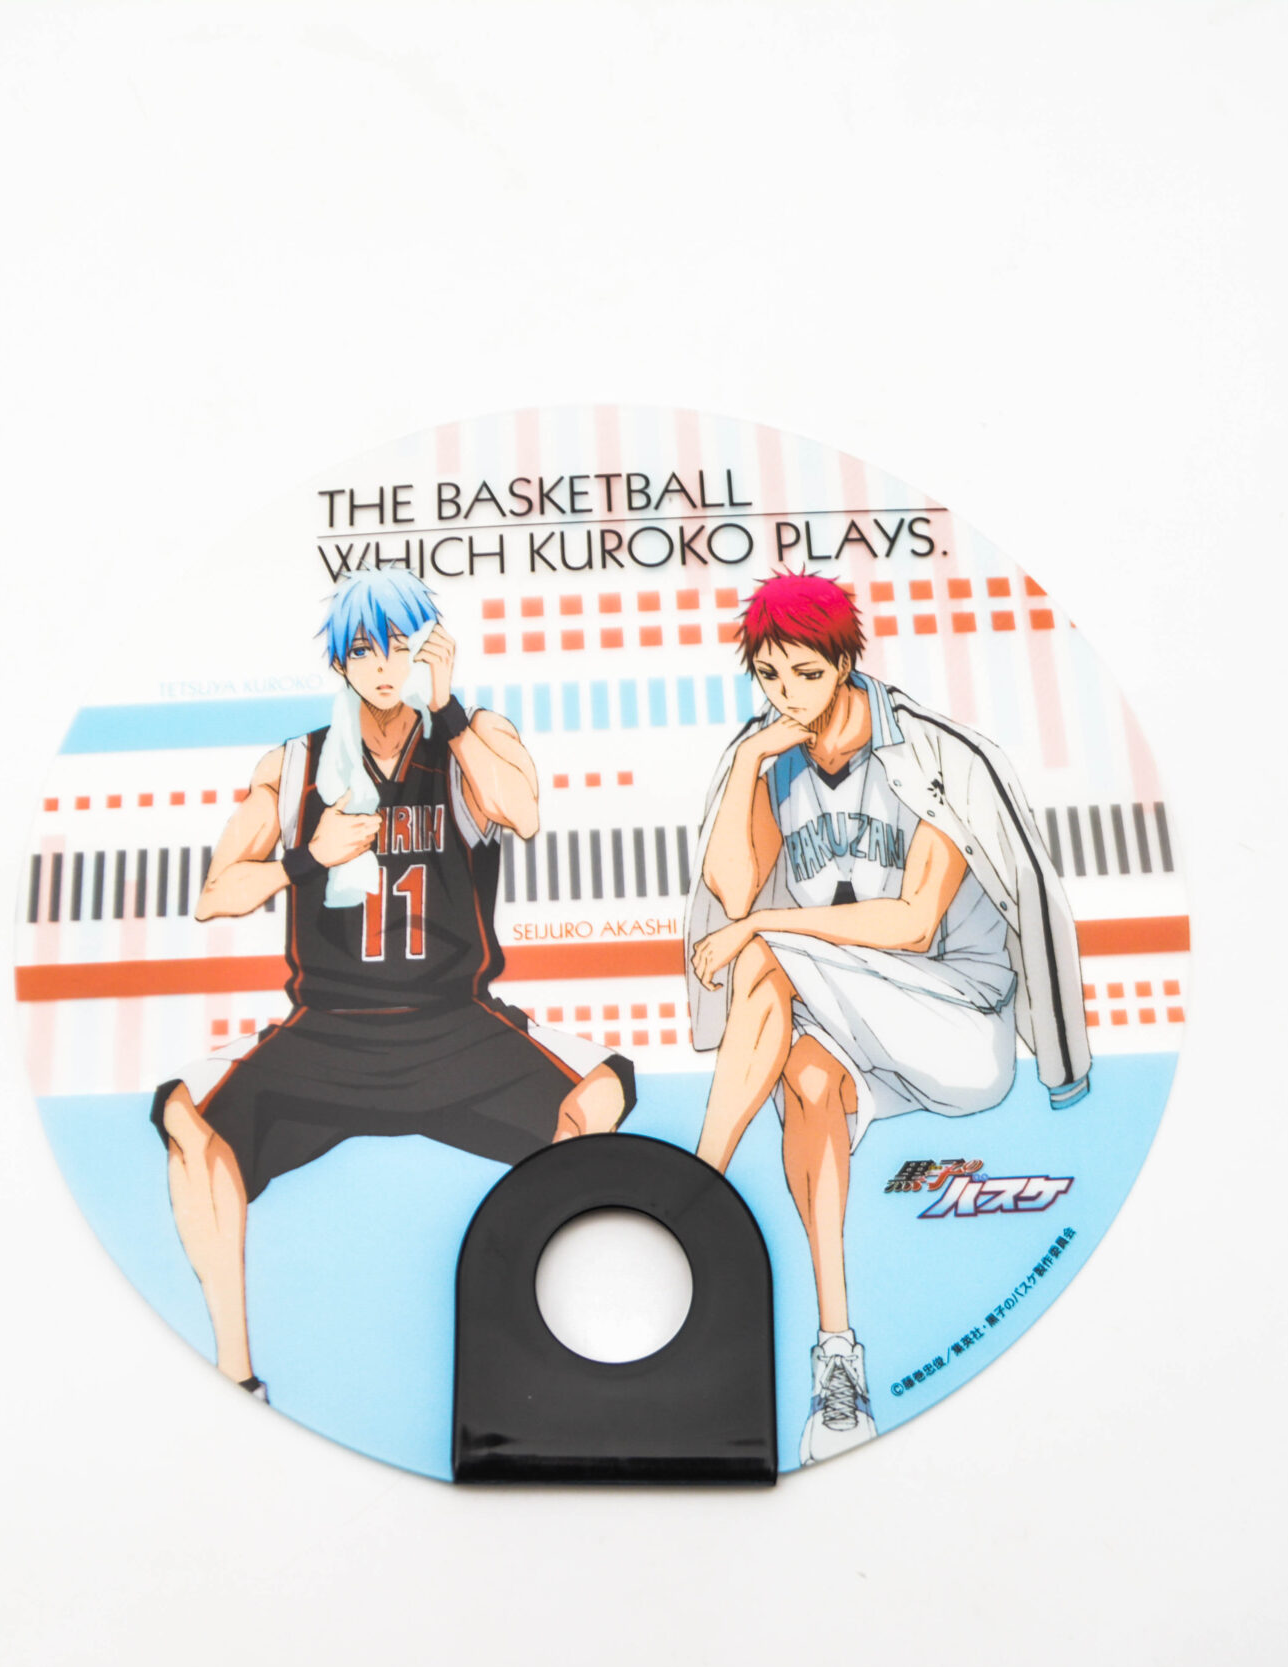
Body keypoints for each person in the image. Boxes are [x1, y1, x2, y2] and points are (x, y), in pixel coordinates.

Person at [154, 570, 633, 1400]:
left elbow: (522, 812)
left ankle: (556, 1343)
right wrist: (305, 858)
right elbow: (214, 894)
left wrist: (448, 712)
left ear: (429, 651)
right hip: (329, 1028)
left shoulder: (473, 735)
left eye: (401, 647)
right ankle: (237, 1377)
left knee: (599, 1097)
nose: (384, 666)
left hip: (456, 1024)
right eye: (365, 649)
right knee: (186, 1120)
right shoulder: (295, 765)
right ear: (341, 662)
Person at [684, 573, 1091, 1464]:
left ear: (845, 662)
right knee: (808, 1080)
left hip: (957, 1026)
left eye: (804, 673)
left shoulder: (928, 754)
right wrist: (748, 768)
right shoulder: (769, 755)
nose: (786, 694)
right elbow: (734, 890)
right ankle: (839, 1361)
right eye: (768, 675)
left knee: (765, 951)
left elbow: (910, 921)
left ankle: (687, 1192)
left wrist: (763, 926)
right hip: (858, 1028)